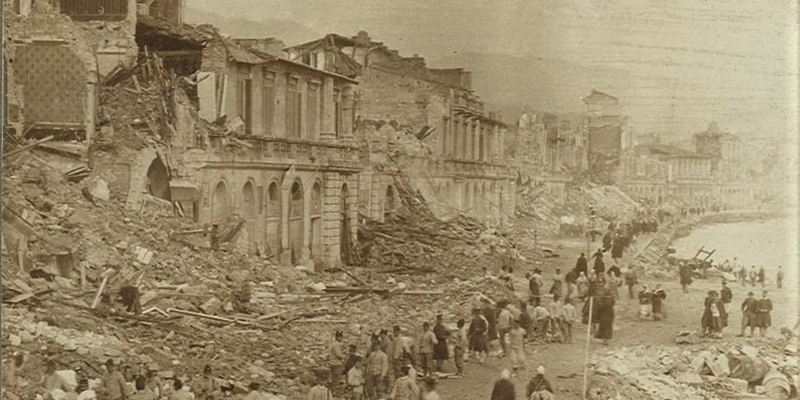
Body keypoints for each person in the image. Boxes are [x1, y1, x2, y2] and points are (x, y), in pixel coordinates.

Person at [594, 280, 616, 345]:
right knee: (608, 327)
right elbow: (613, 304)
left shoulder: (602, 300)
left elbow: (599, 307)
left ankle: (605, 339)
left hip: (604, 314)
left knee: (603, 326)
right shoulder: (611, 299)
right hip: (609, 314)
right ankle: (606, 339)